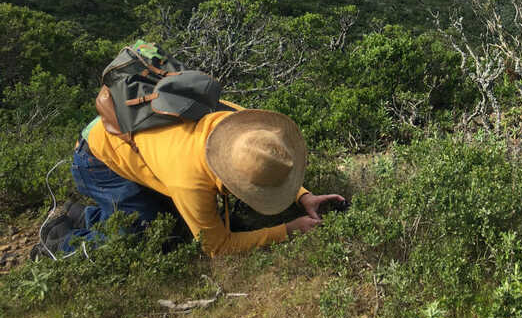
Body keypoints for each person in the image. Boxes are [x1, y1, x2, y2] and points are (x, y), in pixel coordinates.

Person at [36, 108, 344, 258]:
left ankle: (78, 214)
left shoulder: (241, 128)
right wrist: (286, 230)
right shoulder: (190, 181)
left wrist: (302, 196)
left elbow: (263, 161)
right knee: (140, 231)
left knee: (172, 220)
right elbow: (217, 246)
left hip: (127, 140)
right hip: (97, 162)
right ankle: (58, 245)